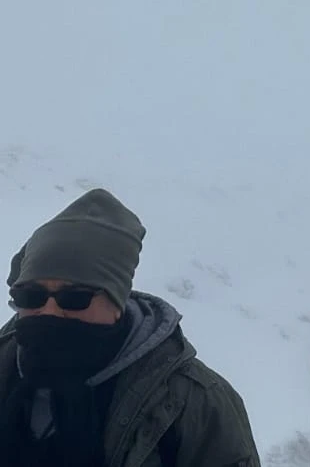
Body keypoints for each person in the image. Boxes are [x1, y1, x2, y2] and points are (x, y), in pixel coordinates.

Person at [0, 188, 260, 465]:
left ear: (117, 303)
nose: (50, 311)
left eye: (74, 298)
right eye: (31, 296)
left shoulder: (195, 403)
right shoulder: (5, 368)